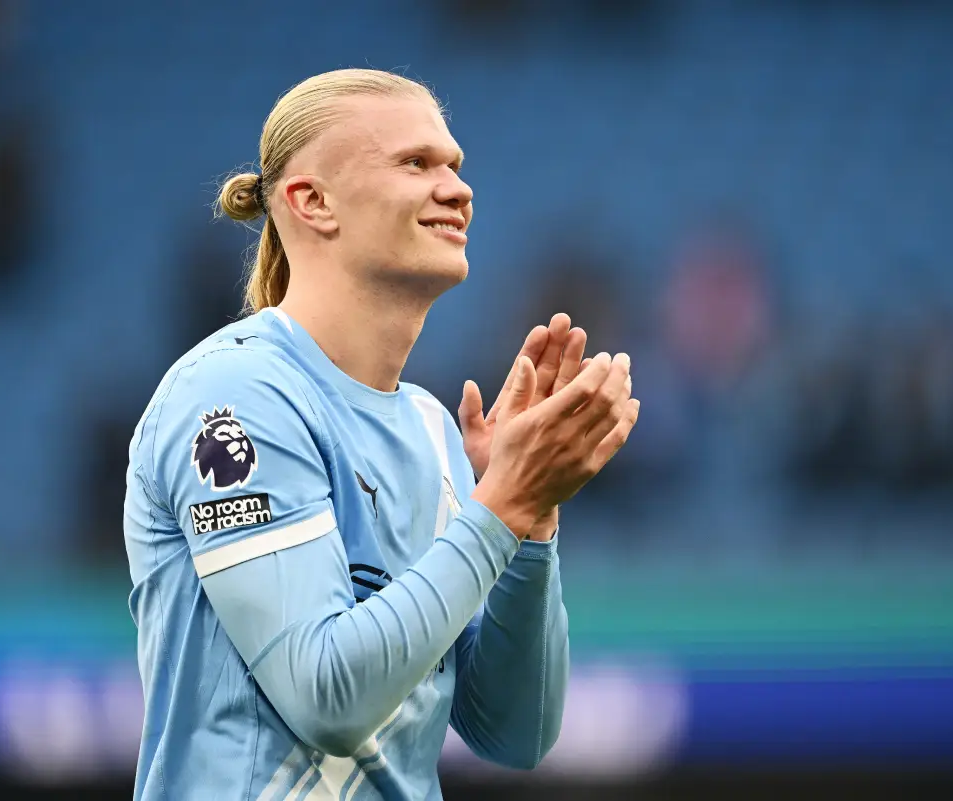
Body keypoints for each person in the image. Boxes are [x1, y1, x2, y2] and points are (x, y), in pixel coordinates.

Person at [123, 68, 639, 801]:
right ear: (313, 201)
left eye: (456, 167)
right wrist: (501, 509)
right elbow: (325, 695)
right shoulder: (235, 396)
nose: (459, 189)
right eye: (416, 163)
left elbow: (517, 731)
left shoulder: (433, 429)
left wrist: (530, 522)